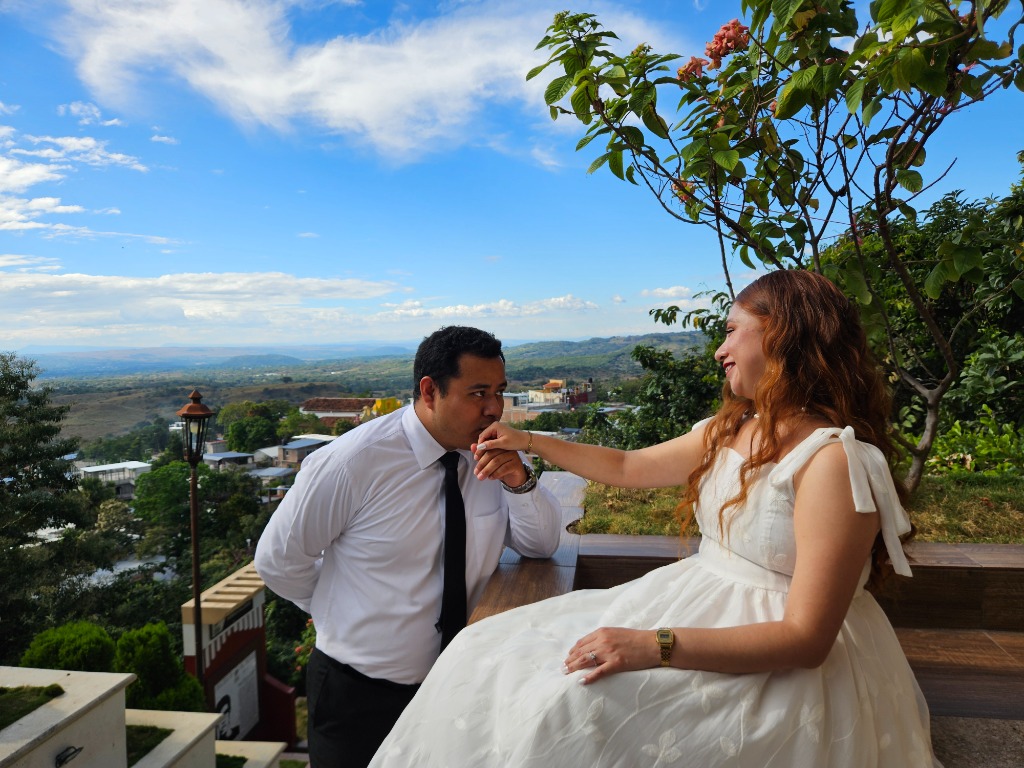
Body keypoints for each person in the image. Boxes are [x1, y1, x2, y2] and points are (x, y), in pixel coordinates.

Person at [369, 271, 941, 768]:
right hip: (695, 602)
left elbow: (806, 638)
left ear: (786, 336)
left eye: (731, 330)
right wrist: (528, 439)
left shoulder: (833, 461)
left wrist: (653, 645)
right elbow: (626, 465)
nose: (720, 349)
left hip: (772, 660)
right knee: (485, 650)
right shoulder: (735, 426)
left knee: (574, 705)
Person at [254, 326, 562, 768]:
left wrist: (519, 479)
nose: (494, 408)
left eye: (499, 391)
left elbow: (542, 545)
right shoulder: (353, 463)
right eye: (478, 393)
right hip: (359, 695)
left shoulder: (496, 452)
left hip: (463, 685)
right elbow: (278, 561)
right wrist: (342, 610)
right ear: (430, 391)